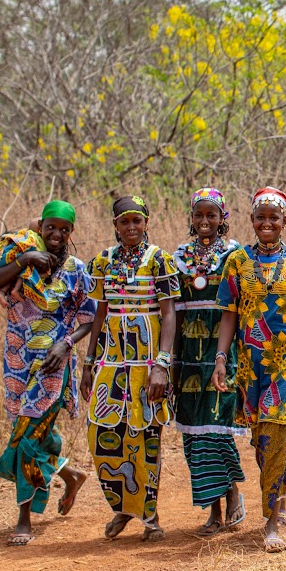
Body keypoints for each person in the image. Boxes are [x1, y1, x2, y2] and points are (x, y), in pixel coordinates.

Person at [212, 187, 286, 554]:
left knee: (276, 431)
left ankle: (272, 519)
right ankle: (280, 489)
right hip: (250, 362)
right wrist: (220, 358)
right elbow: (229, 313)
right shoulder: (236, 261)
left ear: (284, 222)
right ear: (251, 220)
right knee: (261, 437)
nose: (266, 223)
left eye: (273, 218)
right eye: (260, 217)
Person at [0, 200, 95, 546]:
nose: (57, 234)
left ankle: (23, 518)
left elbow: (90, 317)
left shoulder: (76, 269)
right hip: (17, 362)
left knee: (26, 438)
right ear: (40, 227)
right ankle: (71, 474)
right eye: (51, 227)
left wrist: (67, 344)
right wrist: (25, 260)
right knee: (27, 430)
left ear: (72, 232)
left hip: (53, 364)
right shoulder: (22, 262)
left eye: (64, 229)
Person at [82, 196, 179, 542]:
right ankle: (123, 506)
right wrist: (88, 363)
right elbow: (100, 313)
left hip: (147, 364)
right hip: (111, 362)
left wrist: (161, 366)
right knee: (103, 435)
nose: (131, 228)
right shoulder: (103, 261)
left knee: (146, 438)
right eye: (124, 221)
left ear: (147, 222)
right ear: (115, 225)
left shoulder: (159, 260)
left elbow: (169, 315)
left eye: (137, 220)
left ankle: (149, 517)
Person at [172, 187, 246, 536]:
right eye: (199, 215)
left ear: (222, 219)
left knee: (218, 429)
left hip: (222, 351)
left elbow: (240, 307)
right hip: (188, 355)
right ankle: (213, 511)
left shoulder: (235, 255)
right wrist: (168, 360)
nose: (205, 221)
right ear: (191, 218)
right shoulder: (179, 256)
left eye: (211, 215)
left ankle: (232, 493)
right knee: (193, 434)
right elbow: (172, 309)